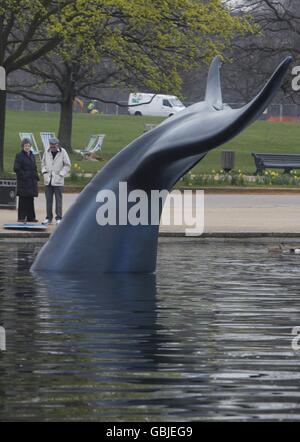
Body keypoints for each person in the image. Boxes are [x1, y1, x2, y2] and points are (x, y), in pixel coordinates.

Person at [41, 137, 71, 225]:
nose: (52, 147)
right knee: (48, 201)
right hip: (48, 180)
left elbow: (67, 165)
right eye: (51, 145)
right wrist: (45, 173)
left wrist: (61, 174)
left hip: (58, 181)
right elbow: (43, 163)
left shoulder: (63, 152)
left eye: (54, 146)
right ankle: (48, 218)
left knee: (59, 200)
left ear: (57, 145)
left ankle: (59, 218)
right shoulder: (46, 152)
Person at [13, 138, 39, 222]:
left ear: (30, 146)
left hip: (31, 181)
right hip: (23, 181)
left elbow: (34, 167)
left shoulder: (32, 155)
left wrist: (36, 176)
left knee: (30, 200)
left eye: (28, 146)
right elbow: (16, 168)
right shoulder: (19, 155)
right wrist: (24, 176)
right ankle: (21, 217)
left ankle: (31, 217)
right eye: (25, 146)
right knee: (23, 200)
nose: (27, 147)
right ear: (22, 146)